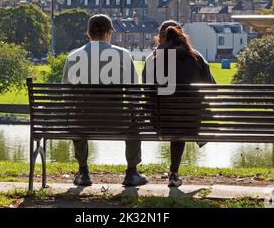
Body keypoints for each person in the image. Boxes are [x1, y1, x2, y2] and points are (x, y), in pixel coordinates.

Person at [62, 14, 148, 187]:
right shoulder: (123, 54)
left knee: (76, 116)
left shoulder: (73, 56)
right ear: (109, 33)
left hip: (84, 121)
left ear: (88, 33)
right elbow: (134, 91)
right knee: (134, 120)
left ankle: (83, 171)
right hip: (117, 121)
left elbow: (66, 93)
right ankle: (131, 172)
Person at [142, 20, 216, 187]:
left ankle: (139, 170)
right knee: (183, 113)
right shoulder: (196, 56)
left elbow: (147, 92)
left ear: (159, 39)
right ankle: (174, 173)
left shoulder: (151, 58)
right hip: (188, 121)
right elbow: (212, 89)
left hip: (159, 121)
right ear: (182, 37)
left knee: (172, 113)